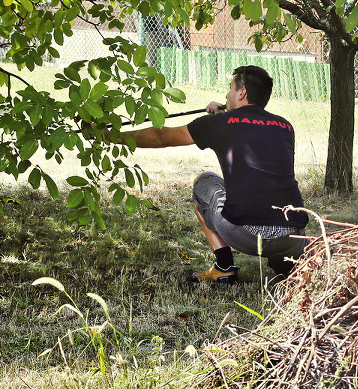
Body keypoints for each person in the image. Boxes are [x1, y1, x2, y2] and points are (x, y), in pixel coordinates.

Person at [86, 65, 308, 284]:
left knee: (204, 183)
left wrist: (111, 137)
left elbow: (160, 137)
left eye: (230, 89)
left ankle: (224, 267)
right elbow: (250, 134)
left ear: (242, 93)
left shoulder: (221, 124)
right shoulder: (285, 126)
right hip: (293, 237)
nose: (226, 94)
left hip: (247, 235)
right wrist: (225, 116)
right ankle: (287, 265)